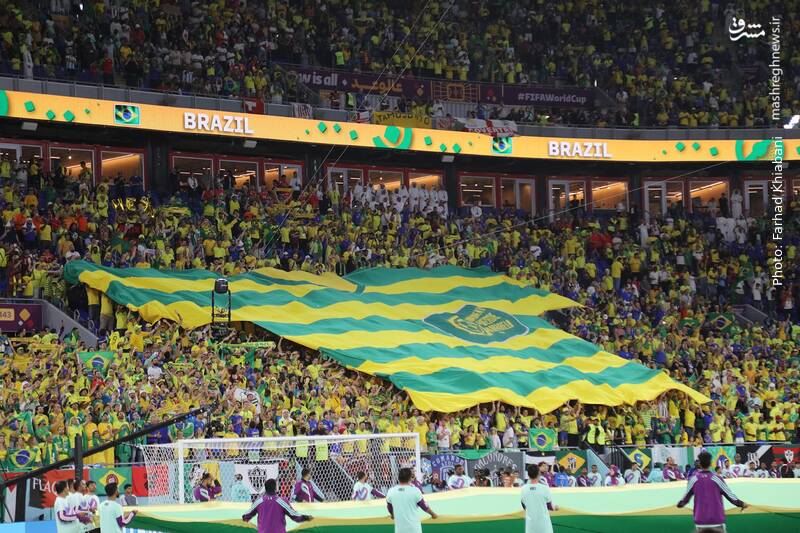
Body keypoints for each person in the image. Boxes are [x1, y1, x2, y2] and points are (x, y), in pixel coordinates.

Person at [677, 451, 748, 533]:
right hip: (717, 521)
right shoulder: (717, 479)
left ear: (700, 464)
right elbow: (731, 496)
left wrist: (679, 504)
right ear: (711, 463)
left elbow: (684, 499)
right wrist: (742, 504)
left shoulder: (693, 479)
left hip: (700, 521)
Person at [242, 478, 312, 533]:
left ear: (265, 488)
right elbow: (294, 515)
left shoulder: (259, 501)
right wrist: (306, 517)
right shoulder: (282, 501)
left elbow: (247, 515)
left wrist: (245, 517)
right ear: (276, 488)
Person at [386, 468, 437, 533]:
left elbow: (389, 507)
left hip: (400, 530)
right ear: (410, 478)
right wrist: (433, 514)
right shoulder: (415, 491)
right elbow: (424, 507)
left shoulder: (391, 491)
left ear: (398, 478)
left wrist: (392, 515)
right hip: (414, 529)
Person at [521, 464, 558, 533]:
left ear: (528, 475)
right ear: (539, 473)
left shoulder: (523, 489)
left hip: (531, 526)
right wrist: (556, 507)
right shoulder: (545, 488)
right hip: (544, 526)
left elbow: (523, 505)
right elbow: (550, 506)